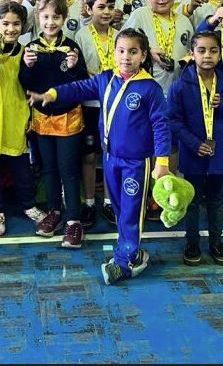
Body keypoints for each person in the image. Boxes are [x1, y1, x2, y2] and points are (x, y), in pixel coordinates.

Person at [28, 28, 171, 285]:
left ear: (143, 55)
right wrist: (50, 94)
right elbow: (78, 88)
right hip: (111, 159)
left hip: (136, 163)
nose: (126, 57)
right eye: (121, 50)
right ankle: (132, 248)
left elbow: (161, 126)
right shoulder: (107, 79)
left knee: (130, 211)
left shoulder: (150, 89)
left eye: (133, 52)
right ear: (114, 53)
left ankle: (125, 262)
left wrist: (162, 162)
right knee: (118, 209)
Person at [168, 32, 223, 267]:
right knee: (191, 201)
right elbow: (173, 121)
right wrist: (193, 144)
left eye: (213, 50)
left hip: (220, 153)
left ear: (220, 54)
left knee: (216, 201)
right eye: (201, 50)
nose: (207, 55)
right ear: (192, 54)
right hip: (193, 154)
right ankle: (192, 243)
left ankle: (216, 242)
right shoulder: (180, 85)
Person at [19, 0, 89, 248]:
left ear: (64, 18)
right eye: (46, 16)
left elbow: (81, 84)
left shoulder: (71, 48)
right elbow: (25, 84)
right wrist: (26, 66)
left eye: (56, 17)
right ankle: (54, 212)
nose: (50, 22)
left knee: (69, 170)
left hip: (68, 117)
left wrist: (74, 68)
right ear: (38, 17)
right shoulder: (31, 48)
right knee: (48, 169)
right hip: (41, 119)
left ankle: (73, 221)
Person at [0, 1, 47, 236]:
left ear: (23, 27)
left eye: (16, 24)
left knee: (22, 168)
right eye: (5, 23)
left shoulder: (28, 53)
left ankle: (28, 205)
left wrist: (29, 66)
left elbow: (29, 83)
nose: (11, 28)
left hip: (17, 117)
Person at [73, 0, 118, 229]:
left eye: (110, 6)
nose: (106, 12)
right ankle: (89, 202)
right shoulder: (80, 35)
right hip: (89, 104)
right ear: (89, 8)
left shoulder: (120, 34)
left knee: (109, 153)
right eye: (101, 7)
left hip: (114, 104)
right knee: (89, 155)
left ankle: (110, 202)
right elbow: (81, 70)